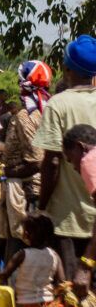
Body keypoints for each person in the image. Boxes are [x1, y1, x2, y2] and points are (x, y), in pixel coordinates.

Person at [31, 34, 96, 280]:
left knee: (70, 293)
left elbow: (52, 162)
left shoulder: (58, 104)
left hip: (68, 219)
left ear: (67, 68)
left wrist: (42, 208)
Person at [0, 60, 52, 260]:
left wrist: (3, 173)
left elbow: (35, 162)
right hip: (40, 189)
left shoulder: (25, 116)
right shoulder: (49, 111)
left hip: (26, 193)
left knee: (20, 246)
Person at [60, 123, 96, 296]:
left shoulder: (89, 161)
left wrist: (86, 264)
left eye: (70, 158)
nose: (73, 166)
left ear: (80, 147)